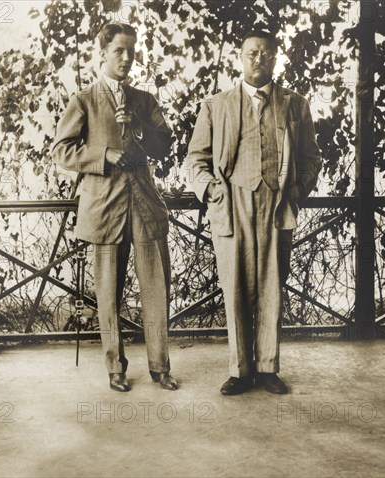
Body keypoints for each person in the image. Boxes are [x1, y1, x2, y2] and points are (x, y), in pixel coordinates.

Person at [185, 30, 321, 395]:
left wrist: (297, 190)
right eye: (251, 53)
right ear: (239, 57)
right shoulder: (216, 105)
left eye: (265, 52)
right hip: (231, 204)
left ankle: (268, 368)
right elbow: (195, 159)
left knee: (271, 287)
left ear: (275, 58)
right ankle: (240, 370)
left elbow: (311, 159)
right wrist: (210, 189)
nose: (258, 59)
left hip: (277, 205)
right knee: (235, 288)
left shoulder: (295, 104)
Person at [51, 22, 178, 392]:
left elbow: (164, 146)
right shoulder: (84, 101)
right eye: (119, 51)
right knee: (108, 293)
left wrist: (138, 128)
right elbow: (61, 150)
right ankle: (115, 368)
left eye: (131, 51)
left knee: (157, 288)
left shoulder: (144, 101)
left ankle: (160, 367)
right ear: (103, 52)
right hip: (105, 208)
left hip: (145, 205)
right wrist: (103, 154)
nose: (126, 58)